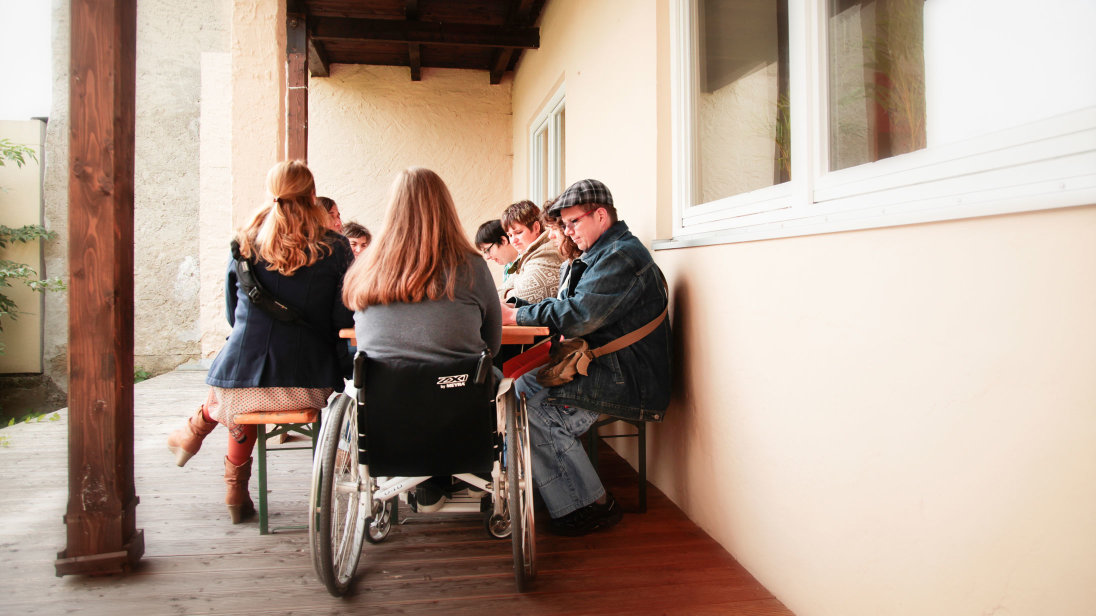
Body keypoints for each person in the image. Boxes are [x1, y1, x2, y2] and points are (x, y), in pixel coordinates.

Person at [167, 160, 354, 523]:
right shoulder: (335, 247)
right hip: (308, 383)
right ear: (312, 194)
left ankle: (233, 488)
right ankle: (195, 436)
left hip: (242, 378)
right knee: (247, 389)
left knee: (240, 390)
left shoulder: (244, 241)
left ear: (271, 193)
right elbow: (341, 319)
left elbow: (231, 308)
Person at [500, 179, 671, 536]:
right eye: (563, 224)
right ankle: (551, 488)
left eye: (573, 222)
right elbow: (572, 308)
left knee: (533, 407)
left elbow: (580, 314)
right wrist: (518, 307)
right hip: (609, 366)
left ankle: (594, 505)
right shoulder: (602, 253)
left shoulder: (621, 256)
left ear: (601, 215)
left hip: (627, 378)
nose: (566, 231)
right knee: (516, 389)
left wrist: (516, 316)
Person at [343, 167, 502, 511]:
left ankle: (425, 484)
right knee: (489, 378)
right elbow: (492, 343)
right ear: (446, 208)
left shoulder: (365, 267)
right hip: (457, 398)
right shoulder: (472, 266)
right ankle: (466, 473)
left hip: (387, 403)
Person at [498, 200, 563, 304]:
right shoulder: (528, 254)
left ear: (536, 227)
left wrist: (508, 293)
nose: (514, 241)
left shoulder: (548, 253)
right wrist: (510, 291)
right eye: (510, 235)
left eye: (518, 233)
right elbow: (497, 292)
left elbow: (522, 297)